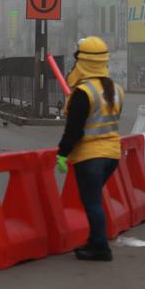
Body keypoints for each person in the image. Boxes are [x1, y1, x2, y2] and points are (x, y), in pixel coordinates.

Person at [56, 36, 124, 262]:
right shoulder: (116, 90)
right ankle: (95, 241)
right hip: (113, 155)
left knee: (92, 202)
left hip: (90, 157)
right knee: (93, 199)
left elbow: (74, 130)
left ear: (81, 61)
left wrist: (62, 154)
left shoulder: (84, 92)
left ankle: (101, 247)